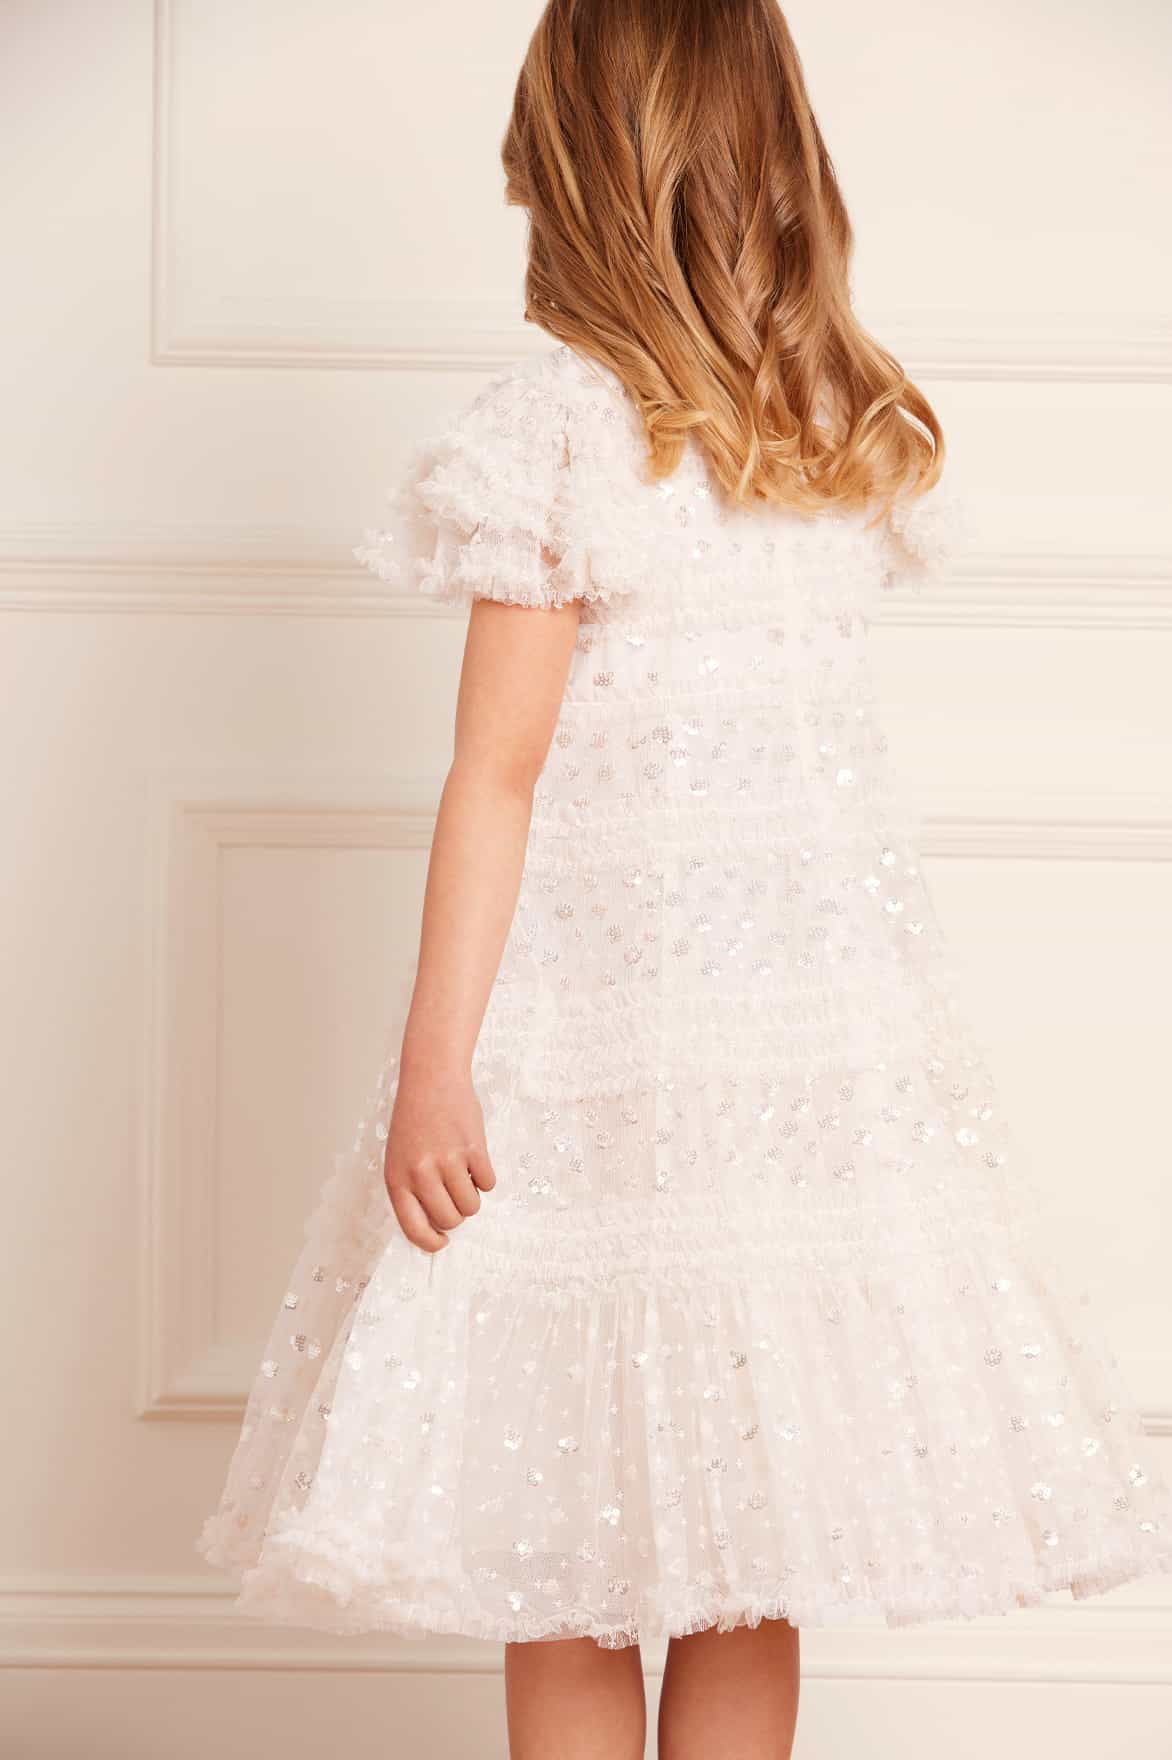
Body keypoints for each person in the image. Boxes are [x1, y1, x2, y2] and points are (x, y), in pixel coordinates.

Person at [197, 2, 1172, 1755]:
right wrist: (442, 1068)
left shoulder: (675, 426)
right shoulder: (752, 425)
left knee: (660, 1549)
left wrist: (434, 1060)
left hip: (710, 1069)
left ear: (569, 166)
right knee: (680, 1544)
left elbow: (493, 775)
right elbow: (521, 774)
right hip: (695, 1063)